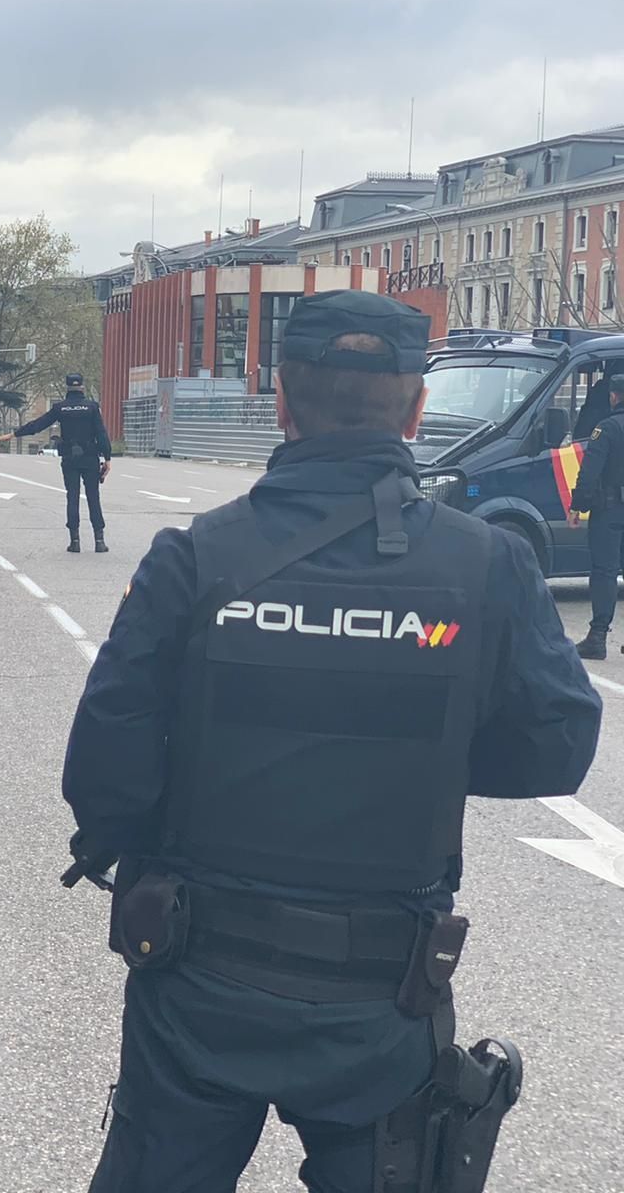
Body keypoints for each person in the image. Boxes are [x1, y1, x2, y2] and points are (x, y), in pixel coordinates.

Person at [58, 290, 601, 1193]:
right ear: (417, 407)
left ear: (280, 399)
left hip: (199, 978)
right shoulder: (488, 566)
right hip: (383, 1001)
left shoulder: (193, 560)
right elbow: (557, 748)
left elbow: (102, 773)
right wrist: (428, 754)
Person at [0, 373, 112, 553]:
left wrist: (13, 434)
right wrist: (107, 458)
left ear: (67, 388)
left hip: (70, 459)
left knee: (72, 497)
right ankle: (99, 541)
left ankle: (74, 542)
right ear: (82, 387)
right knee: (93, 498)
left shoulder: (60, 408)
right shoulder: (92, 407)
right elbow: (101, 434)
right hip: (90, 458)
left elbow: (38, 425)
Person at [568, 372, 624, 659]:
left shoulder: (608, 428)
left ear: (614, 396)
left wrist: (577, 505)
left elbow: (589, 472)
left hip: (612, 510)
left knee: (604, 571)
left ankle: (598, 636)